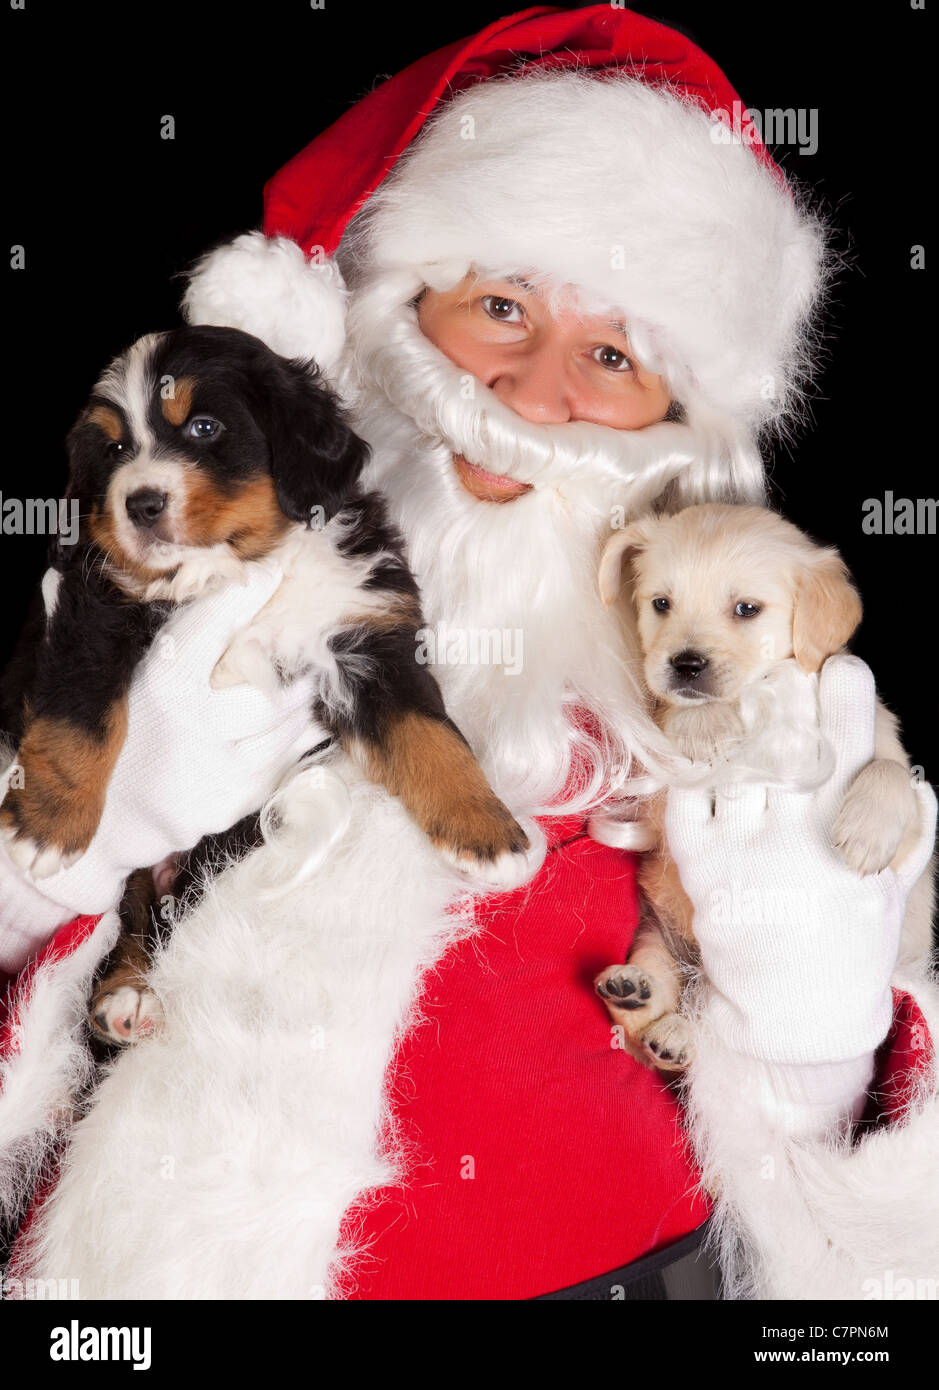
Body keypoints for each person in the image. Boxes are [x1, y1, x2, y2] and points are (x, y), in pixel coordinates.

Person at [0, 5, 935, 1301]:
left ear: (677, 420)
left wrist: (816, 1003)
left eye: (611, 355)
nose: (532, 392)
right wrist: (61, 857)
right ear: (394, 308)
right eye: (500, 306)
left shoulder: (726, 658)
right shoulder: (168, 591)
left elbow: (832, 1201)